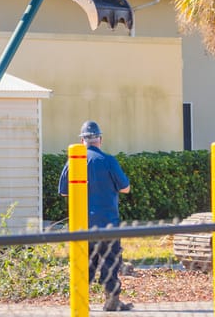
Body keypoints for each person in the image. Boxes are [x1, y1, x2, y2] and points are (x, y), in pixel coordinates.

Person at [58, 120, 133, 312]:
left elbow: (64, 192)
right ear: (100, 139)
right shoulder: (108, 161)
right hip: (107, 222)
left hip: (82, 223)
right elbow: (125, 188)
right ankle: (112, 300)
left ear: (82, 141)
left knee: (84, 262)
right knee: (110, 260)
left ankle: (80, 300)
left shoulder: (73, 162)